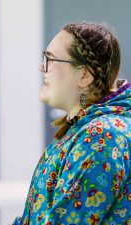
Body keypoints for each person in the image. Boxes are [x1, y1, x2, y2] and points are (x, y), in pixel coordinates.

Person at [13, 22, 131, 224]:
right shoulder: (86, 127)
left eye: (50, 59)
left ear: (85, 75)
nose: (42, 67)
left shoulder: (101, 136)